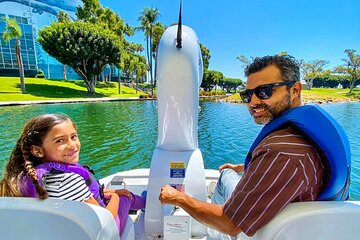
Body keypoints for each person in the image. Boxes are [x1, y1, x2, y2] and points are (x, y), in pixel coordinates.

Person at [159, 55, 350, 237]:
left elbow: (230, 224)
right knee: (228, 173)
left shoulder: (281, 152)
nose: (254, 102)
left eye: (264, 91)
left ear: (295, 90)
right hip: (300, 223)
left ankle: (213, 237)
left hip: (251, 231)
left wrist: (177, 198)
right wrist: (242, 168)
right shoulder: (304, 136)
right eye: (248, 95)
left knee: (224, 180)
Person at [0, 114, 145, 235]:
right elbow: (105, 220)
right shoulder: (69, 180)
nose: (72, 145)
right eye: (60, 141)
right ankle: (147, 202)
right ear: (37, 151)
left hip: (60, 232)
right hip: (99, 233)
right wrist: (115, 197)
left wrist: (107, 192)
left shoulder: (23, 180)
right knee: (127, 197)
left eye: (73, 137)